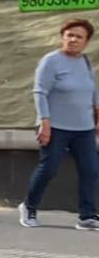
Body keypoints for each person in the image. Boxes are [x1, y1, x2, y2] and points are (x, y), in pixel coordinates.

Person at [20, 16, 99, 230]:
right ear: (62, 37)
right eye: (69, 35)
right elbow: (40, 92)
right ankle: (29, 207)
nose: (73, 40)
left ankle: (87, 217)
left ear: (86, 41)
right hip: (56, 127)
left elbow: (91, 89)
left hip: (84, 128)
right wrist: (44, 121)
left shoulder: (84, 62)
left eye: (79, 37)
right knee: (49, 169)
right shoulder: (50, 61)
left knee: (91, 170)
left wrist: (97, 116)